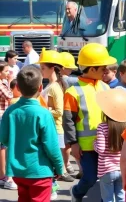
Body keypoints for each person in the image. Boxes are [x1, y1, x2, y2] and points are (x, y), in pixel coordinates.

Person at [0, 66, 63, 202]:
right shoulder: (44, 114)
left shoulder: (10, 111)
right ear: (40, 88)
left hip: (18, 171)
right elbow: (52, 146)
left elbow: (4, 139)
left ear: (18, 87)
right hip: (40, 171)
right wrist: (59, 166)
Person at [63, 43, 117, 202]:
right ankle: (77, 193)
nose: (106, 71)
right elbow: (68, 121)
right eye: (103, 68)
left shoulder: (106, 87)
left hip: (106, 144)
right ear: (92, 69)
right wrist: (73, 143)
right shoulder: (73, 92)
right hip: (85, 147)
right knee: (91, 178)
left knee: (106, 179)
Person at [37, 48, 74, 185]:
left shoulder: (54, 87)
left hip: (55, 129)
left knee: (51, 162)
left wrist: (43, 110)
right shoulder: (52, 85)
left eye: (43, 68)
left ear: (52, 68)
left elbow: (59, 111)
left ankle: (53, 187)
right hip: (52, 128)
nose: (41, 71)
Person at [94, 89, 126, 202]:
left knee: (107, 199)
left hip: (106, 170)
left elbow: (101, 149)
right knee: (121, 197)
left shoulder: (102, 127)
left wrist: (94, 144)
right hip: (123, 169)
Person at [60, 52, 81, 179]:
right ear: (63, 68)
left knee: (66, 144)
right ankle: (66, 165)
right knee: (67, 144)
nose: (71, 70)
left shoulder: (63, 79)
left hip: (66, 112)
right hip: (67, 113)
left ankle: (66, 165)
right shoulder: (67, 79)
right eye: (69, 68)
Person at [0, 60, 16, 190]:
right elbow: (10, 96)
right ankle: (5, 176)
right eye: (5, 71)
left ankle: (2, 175)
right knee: (3, 147)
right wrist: (10, 81)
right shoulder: (1, 84)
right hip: (1, 117)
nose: (8, 73)